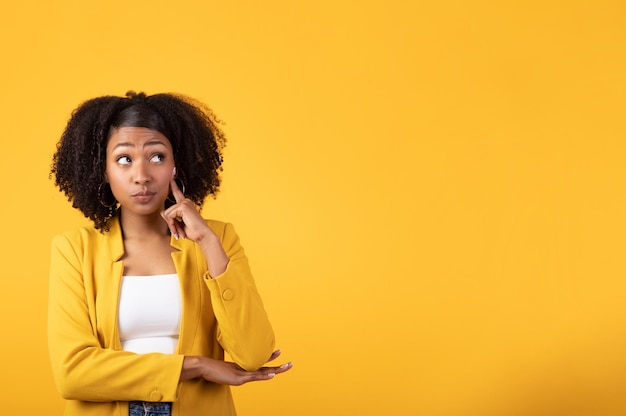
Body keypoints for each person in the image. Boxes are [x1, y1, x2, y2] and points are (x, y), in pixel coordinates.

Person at [48, 91, 292, 416]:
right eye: (124, 159)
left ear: (177, 165)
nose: (142, 175)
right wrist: (197, 366)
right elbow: (72, 373)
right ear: (102, 170)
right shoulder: (74, 250)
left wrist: (207, 242)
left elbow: (253, 354)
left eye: (157, 156)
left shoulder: (218, 238)